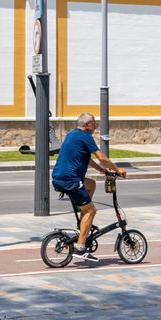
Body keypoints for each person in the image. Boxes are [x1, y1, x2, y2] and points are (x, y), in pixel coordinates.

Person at [51, 112, 126, 262]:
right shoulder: (86, 136)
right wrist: (118, 170)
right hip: (70, 180)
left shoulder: (72, 134)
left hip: (59, 177)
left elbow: (87, 159)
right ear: (87, 125)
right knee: (92, 210)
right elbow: (101, 157)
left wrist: (102, 171)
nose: (95, 126)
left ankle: (83, 221)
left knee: (91, 184)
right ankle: (80, 247)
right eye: (94, 123)